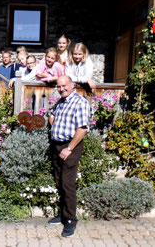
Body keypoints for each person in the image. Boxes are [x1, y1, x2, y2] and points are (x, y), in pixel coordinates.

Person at [48, 75, 90, 238]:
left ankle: (71, 220)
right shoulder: (61, 102)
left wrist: (70, 148)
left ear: (72, 85)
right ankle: (63, 214)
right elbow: (51, 114)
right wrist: (54, 125)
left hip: (70, 147)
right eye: (58, 86)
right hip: (57, 146)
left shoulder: (80, 102)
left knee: (67, 183)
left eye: (64, 86)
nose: (61, 89)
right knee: (59, 181)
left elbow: (82, 128)